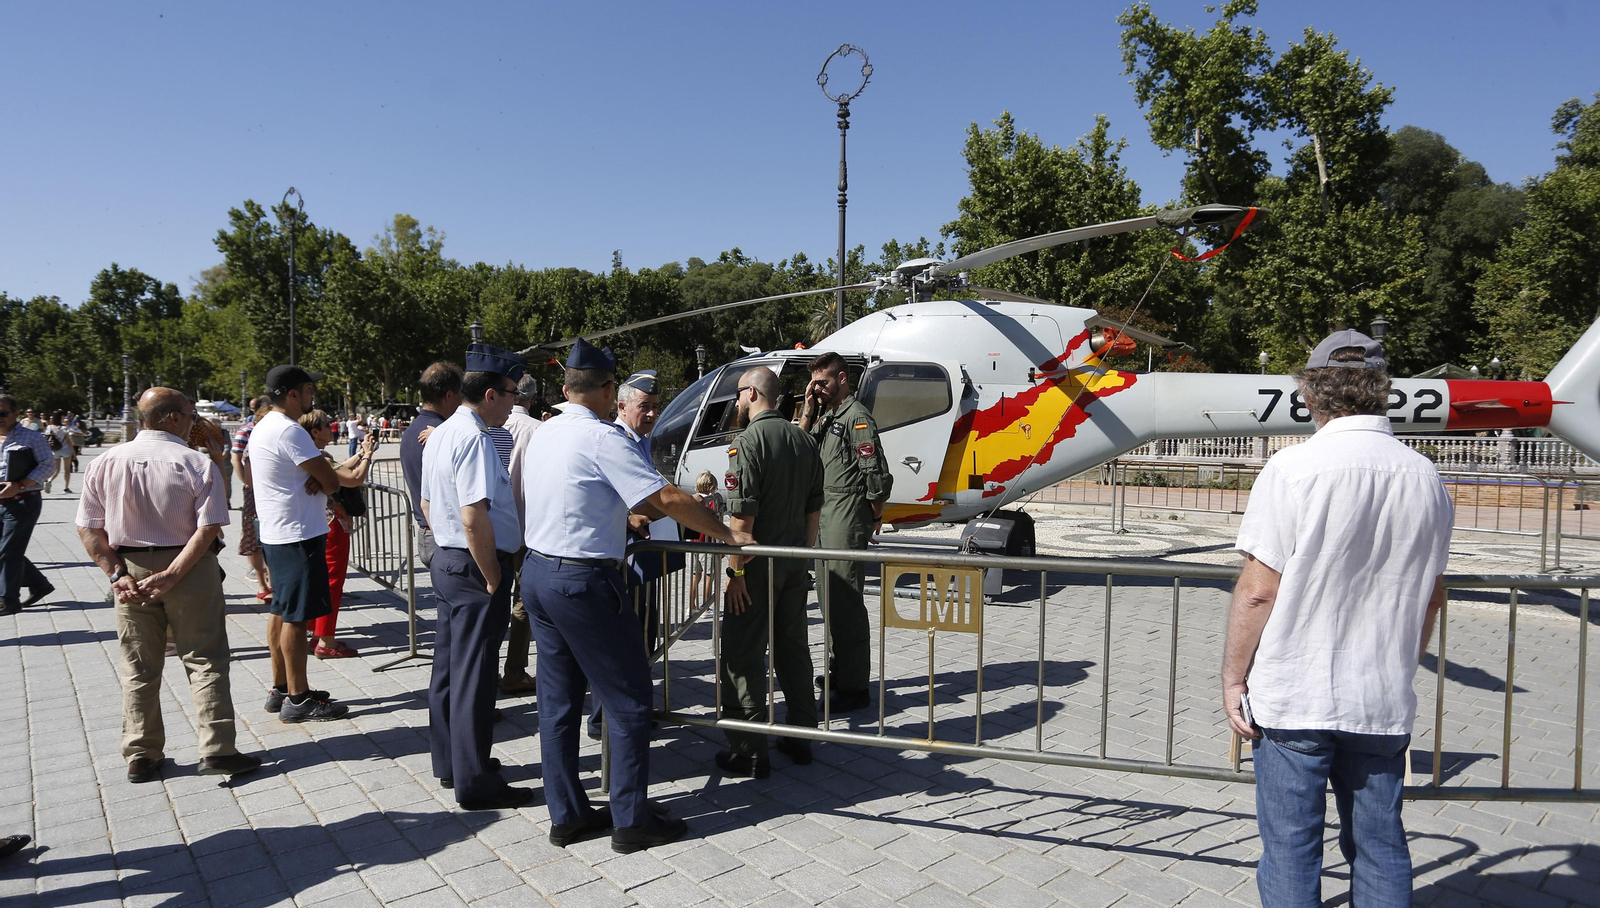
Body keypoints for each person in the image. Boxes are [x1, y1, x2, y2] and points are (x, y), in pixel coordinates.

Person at [1222, 330, 1452, 908]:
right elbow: (1431, 597)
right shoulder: (1426, 477)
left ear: (1311, 393)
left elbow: (1257, 592)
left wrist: (1232, 678)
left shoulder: (1293, 469)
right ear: (1383, 392)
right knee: (1379, 843)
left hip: (1294, 691)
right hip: (1378, 694)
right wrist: (1404, 664)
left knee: (1292, 845)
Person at [521, 338, 752, 853]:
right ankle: (630, 820)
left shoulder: (546, 431)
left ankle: (569, 816)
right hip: (582, 580)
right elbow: (665, 497)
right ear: (608, 390)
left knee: (557, 705)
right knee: (627, 700)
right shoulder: (604, 439)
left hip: (538, 571)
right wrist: (726, 534)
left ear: (564, 389)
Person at [75, 387, 263, 783]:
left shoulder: (105, 461)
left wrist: (117, 575)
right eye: (191, 414)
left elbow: (88, 528)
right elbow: (209, 525)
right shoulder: (194, 463)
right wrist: (175, 572)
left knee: (138, 666)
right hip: (189, 566)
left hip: (130, 567)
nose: (195, 421)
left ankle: (141, 753)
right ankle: (217, 749)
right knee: (205, 657)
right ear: (174, 418)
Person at [421, 343, 534, 810]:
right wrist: (491, 575)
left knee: (449, 670)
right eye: (510, 393)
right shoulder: (473, 437)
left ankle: (451, 762)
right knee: (475, 677)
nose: (515, 403)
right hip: (473, 567)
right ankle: (475, 781)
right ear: (490, 394)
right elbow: (474, 516)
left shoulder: (444, 431)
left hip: (450, 562)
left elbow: (428, 505)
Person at [716, 366, 824, 777]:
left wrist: (735, 575)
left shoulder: (747, 444)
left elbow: (741, 520)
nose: (738, 402)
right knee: (793, 649)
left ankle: (748, 749)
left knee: (743, 652)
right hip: (793, 561)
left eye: (740, 394)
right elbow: (815, 507)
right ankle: (800, 737)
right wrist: (802, 554)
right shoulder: (803, 440)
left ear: (752, 394)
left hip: (756, 567)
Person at [247, 365, 348, 723]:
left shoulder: (264, 427)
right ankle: (298, 697)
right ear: (292, 393)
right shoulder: (290, 430)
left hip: (278, 531)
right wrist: (321, 478)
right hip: (297, 533)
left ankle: (282, 689)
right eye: (307, 389)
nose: (311, 396)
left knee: (281, 610)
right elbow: (332, 482)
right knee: (296, 617)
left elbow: (317, 477)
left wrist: (317, 478)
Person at [796, 351, 892, 713]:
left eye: (822, 382)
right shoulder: (825, 417)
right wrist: (807, 408)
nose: (816, 388)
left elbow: (875, 475)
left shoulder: (857, 418)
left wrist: (873, 515)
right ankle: (839, 670)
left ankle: (854, 686)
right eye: (814, 382)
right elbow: (798, 446)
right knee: (828, 596)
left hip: (845, 513)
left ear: (842, 379)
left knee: (846, 602)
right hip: (823, 514)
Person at [298, 410, 377, 659]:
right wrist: (368, 458)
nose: (332, 427)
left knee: (320, 580)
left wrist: (361, 453)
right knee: (333, 582)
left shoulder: (313, 455)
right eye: (326, 424)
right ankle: (326, 640)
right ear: (315, 432)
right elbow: (353, 478)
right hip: (333, 524)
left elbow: (338, 469)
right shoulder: (317, 456)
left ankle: (317, 633)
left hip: (320, 524)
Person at [500, 373, 543, 696]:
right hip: (528, 528)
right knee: (523, 603)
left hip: (497, 527)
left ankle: (499, 672)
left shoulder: (489, 426)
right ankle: (514, 669)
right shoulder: (536, 431)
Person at [401, 362, 465, 569]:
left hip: (426, 531)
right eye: (460, 395)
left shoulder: (412, 431)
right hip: (446, 535)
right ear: (449, 395)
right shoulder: (443, 432)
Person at [0, 395, 56, 616]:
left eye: (3, 413)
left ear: (16, 414)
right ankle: (39, 584)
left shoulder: (31, 438)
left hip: (23, 500)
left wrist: (20, 484)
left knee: (8, 551)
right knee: (6, 550)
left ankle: (8, 600)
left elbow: (48, 465)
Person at [233, 403, 274, 604]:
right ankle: (262, 583)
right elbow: (236, 459)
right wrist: (248, 484)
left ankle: (270, 582)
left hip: (269, 493)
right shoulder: (249, 433)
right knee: (253, 537)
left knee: (267, 537)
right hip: (255, 493)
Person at [689, 470, 726, 606]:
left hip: (694, 543)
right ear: (712, 487)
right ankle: (706, 605)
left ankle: (691, 606)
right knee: (709, 575)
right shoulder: (713, 501)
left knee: (695, 575)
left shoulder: (693, 500)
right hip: (708, 543)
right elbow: (717, 524)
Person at [44, 412, 75, 494]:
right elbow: (68, 441)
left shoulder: (49, 427)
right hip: (65, 450)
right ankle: (66, 487)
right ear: (61, 416)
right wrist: (74, 452)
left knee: (57, 469)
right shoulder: (64, 428)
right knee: (67, 469)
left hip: (54, 450)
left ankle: (49, 481)